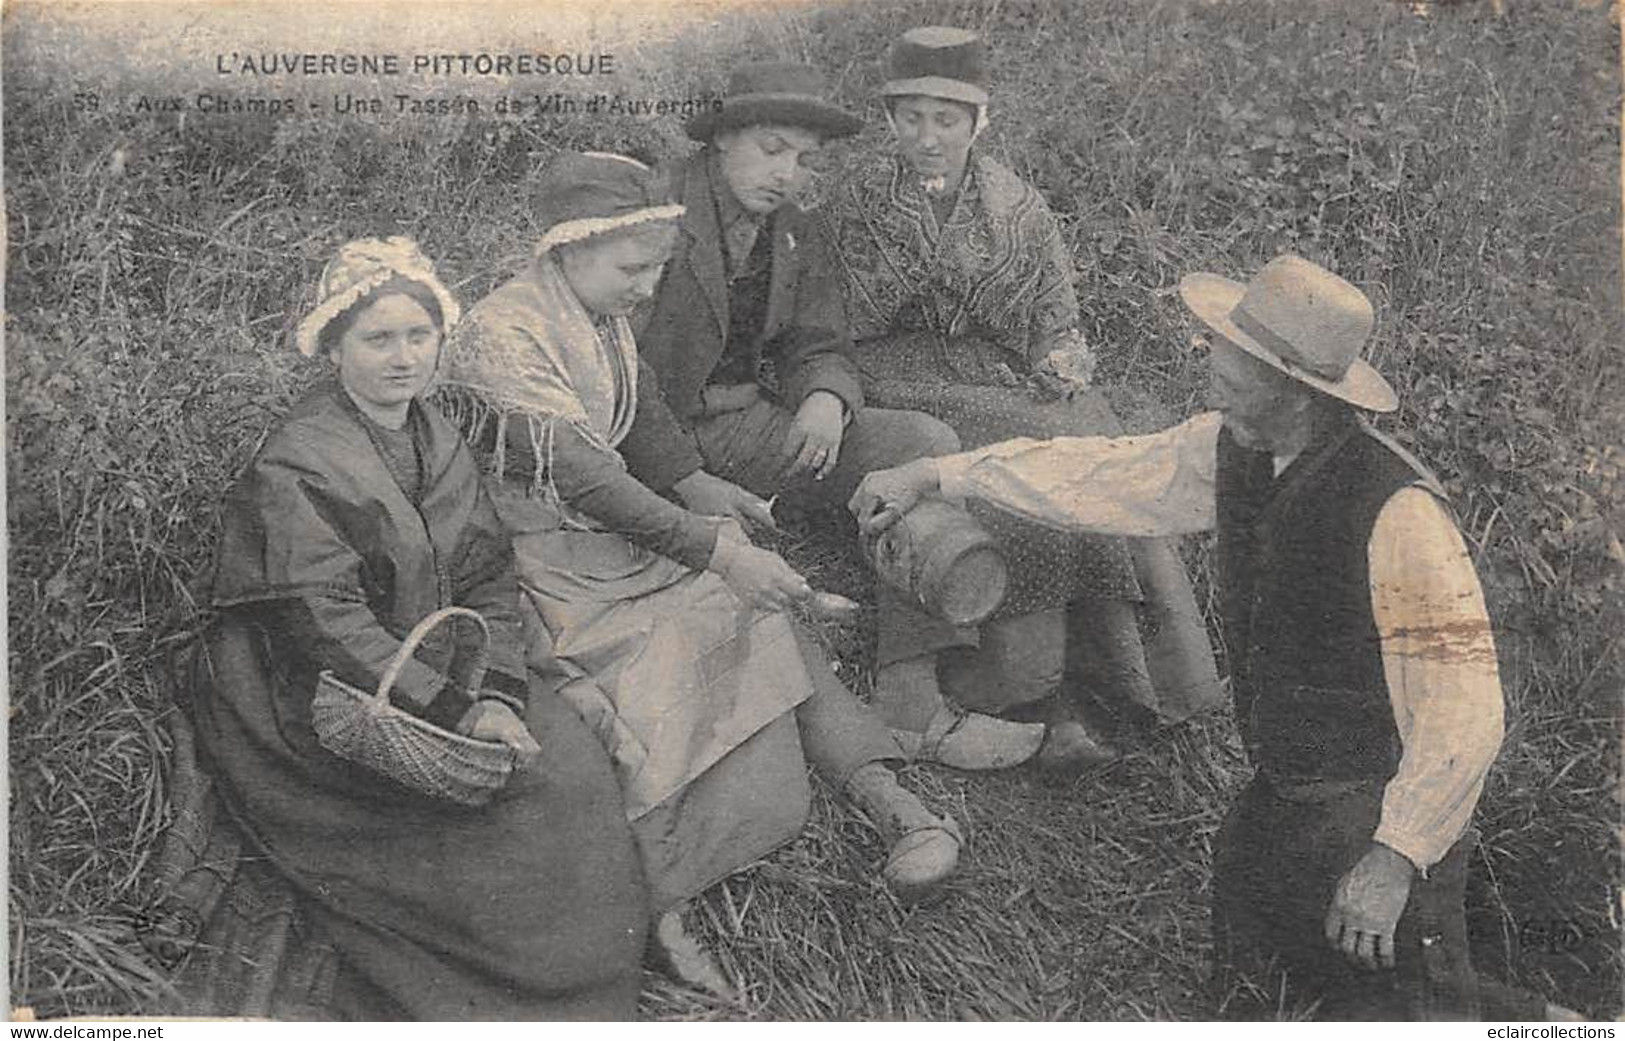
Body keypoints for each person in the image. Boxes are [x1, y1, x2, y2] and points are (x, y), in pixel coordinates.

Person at [851, 254, 1563, 1020]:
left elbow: (1465, 706)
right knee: (1258, 983)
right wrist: (937, 474)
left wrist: (1393, 858)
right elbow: (1099, 473)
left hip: (1381, 818)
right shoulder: (1231, 447)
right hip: (1279, 804)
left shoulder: (1397, 511)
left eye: (1234, 355)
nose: (1210, 364)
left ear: (1295, 387)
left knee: (1425, 1013)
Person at [432, 153, 964, 969]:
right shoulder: (500, 338)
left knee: (753, 607)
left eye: (657, 269)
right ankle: (667, 898)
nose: (647, 288)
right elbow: (589, 480)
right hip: (535, 560)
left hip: (608, 535)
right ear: (567, 250)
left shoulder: (596, 311)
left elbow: (638, 412)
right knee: (653, 665)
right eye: (632, 269)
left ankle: (883, 795)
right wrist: (710, 547)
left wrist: (702, 487)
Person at [175, 238, 648, 1019]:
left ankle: (593, 982)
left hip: (438, 654)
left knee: (571, 766)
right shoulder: (299, 460)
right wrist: (454, 710)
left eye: (418, 336)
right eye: (377, 339)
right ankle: (511, 987)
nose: (402, 358)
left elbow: (487, 571)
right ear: (333, 347)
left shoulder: (436, 434)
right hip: (321, 689)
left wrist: (495, 686)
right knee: (505, 808)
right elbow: (319, 618)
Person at [621, 61, 1047, 771]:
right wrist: (688, 478)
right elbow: (612, 371)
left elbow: (820, 340)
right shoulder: (653, 212)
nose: (787, 173)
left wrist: (824, 395)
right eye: (770, 148)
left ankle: (910, 700)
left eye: (804, 159)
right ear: (722, 140)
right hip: (645, 444)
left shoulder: (793, 229)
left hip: (746, 424)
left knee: (918, 443)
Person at [823, 27, 1222, 768]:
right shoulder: (854, 202)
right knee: (1047, 438)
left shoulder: (1019, 207)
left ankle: (1133, 680)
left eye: (946, 120)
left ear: (980, 122)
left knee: (1089, 425)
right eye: (911, 117)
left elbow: (1057, 321)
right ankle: (1043, 694)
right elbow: (827, 327)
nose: (928, 137)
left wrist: (1062, 365)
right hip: (894, 374)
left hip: (996, 376)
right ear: (889, 119)